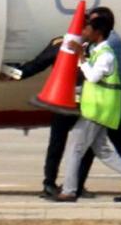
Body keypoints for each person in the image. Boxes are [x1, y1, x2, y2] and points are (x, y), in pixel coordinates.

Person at [57, 8, 121, 204]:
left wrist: (81, 57)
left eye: (87, 28)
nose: (83, 32)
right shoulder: (98, 51)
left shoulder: (107, 53)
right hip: (96, 108)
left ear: (97, 32)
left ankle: (69, 190)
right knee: (103, 151)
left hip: (98, 110)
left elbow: (92, 76)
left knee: (75, 148)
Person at [6, 32, 84, 201]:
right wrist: (14, 73)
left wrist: (16, 74)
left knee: (74, 145)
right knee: (64, 144)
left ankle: (68, 183)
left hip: (82, 102)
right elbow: (37, 65)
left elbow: (37, 64)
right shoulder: (64, 45)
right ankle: (52, 183)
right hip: (67, 101)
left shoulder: (85, 47)